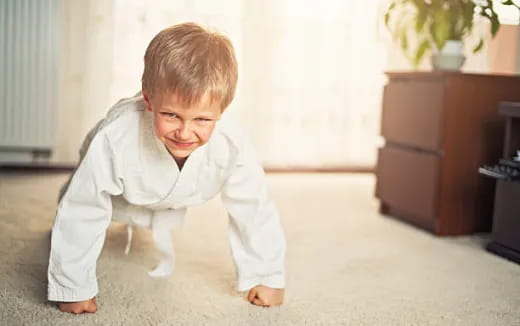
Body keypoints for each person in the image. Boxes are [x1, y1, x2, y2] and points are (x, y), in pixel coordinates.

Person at [47, 22, 286, 314]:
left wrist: (267, 275)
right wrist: (71, 286)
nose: (185, 133)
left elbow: (254, 208)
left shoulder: (232, 143)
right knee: (77, 200)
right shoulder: (117, 137)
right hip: (117, 184)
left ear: (222, 109)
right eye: (172, 115)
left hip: (171, 196)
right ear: (148, 99)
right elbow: (84, 207)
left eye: (202, 120)